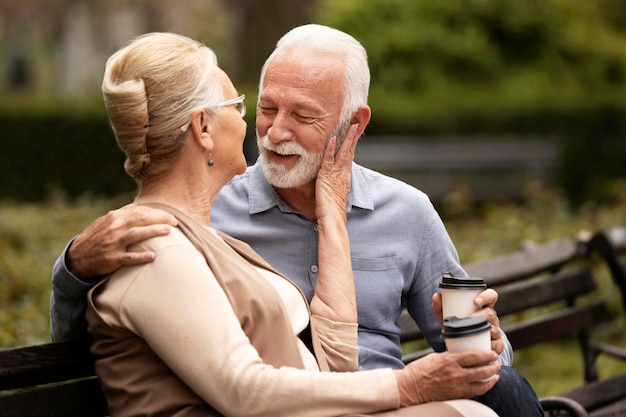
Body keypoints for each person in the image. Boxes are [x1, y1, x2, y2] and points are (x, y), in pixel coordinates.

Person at [50, 25, 543, 416]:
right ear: (203, 127)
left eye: (302, 116)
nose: (272, 131)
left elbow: (465, 351)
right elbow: (234, 381)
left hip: (385, 398)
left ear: (356, 122)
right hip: (310, 404)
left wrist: (487, 342)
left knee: (502, 385)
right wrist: (73, 266)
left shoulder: (406, 211)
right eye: (262, 108)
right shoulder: (204, 216)